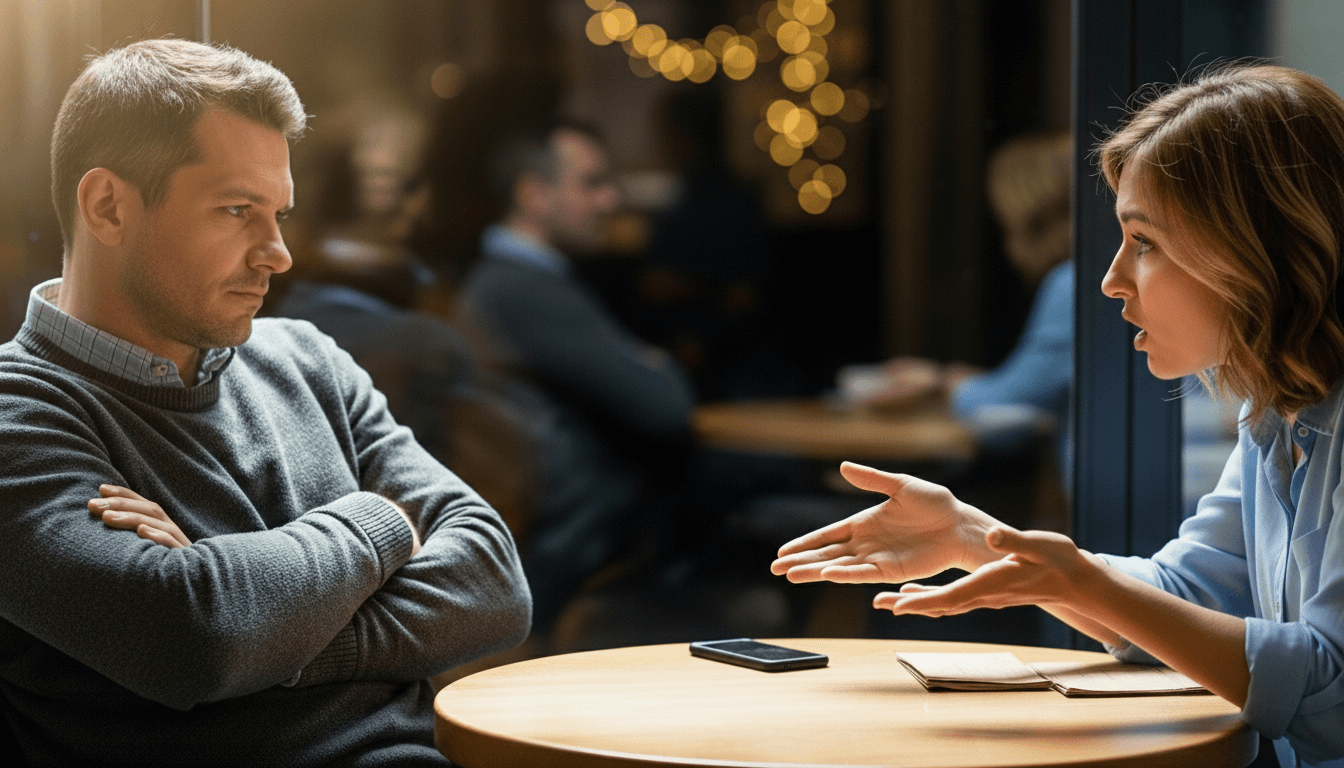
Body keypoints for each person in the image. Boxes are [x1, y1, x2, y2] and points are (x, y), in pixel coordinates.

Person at [772, 64, 1344, 768]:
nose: (1109, 280)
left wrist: (1081, 581)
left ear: (1255, 251)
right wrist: (972, 535)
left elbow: (1332, 698)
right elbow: (1186, 600)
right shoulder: (1276, 412)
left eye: (1145, 242)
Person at [0, 38, 530, 766]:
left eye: (277, 213)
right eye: (237, 209)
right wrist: (386, 520)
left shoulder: (307, 358)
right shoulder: (18, 411)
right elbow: (192, 638)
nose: (277, 252)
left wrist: (263, 630)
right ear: (108, 207)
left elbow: (494, 582)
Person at [455, 120, 696, 634]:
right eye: (592, 183)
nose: (609, 201)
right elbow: (667, 407)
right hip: (579, 547)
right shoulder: (525, 289)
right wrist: (654, 364)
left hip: (556, 540)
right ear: (535, 194)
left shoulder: (504, 280)